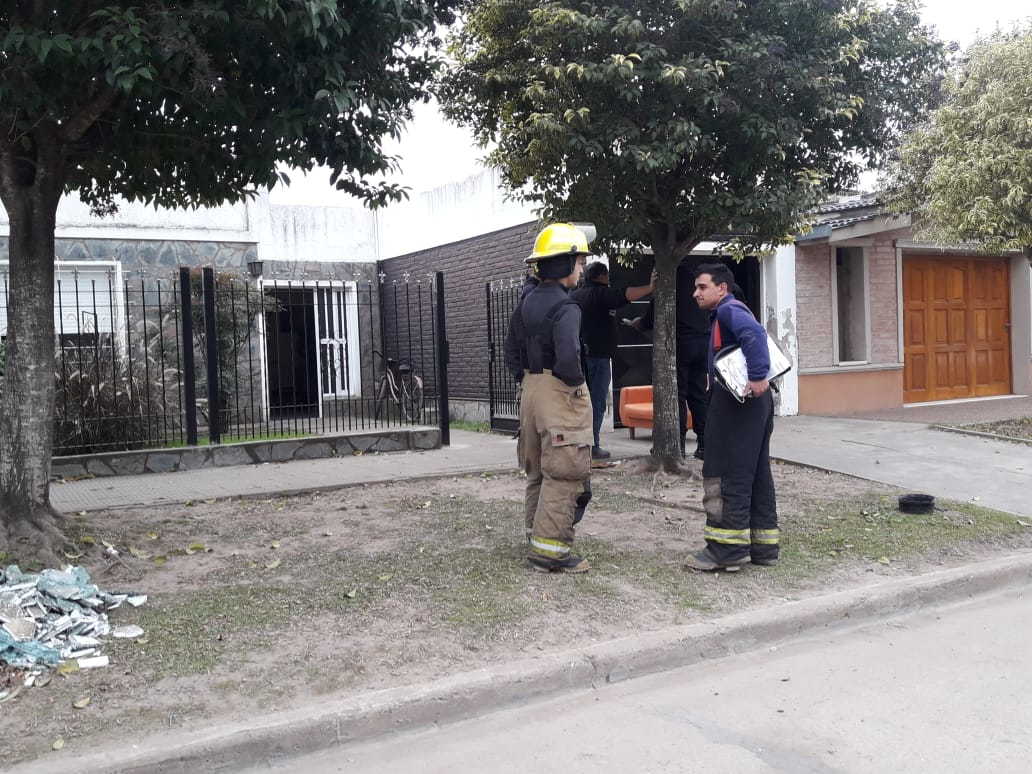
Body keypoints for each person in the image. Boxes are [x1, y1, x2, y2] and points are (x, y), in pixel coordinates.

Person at [503, 223, 594, 573]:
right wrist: (575, 386)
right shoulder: (567, 308)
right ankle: (551, 553)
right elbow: (570, 358)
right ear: (564, 264)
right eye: (579, 262)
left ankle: (537, 536)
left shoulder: (525, 302)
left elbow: (511, 351)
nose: (582, 268)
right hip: (558, 392)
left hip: (530, 392)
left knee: (538, 470)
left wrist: (528, 381)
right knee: (566, 471)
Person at [683, 262, 779, 572]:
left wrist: (758, 375)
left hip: (738, 404)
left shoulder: (728, 311)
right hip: (754, 406)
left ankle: (726, 550)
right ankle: (763, 548)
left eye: (702, 287)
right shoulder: (730, 311)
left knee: (726, 472)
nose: (695, 293)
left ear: (721, 288)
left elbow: (753, 334)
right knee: (756, 473)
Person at [625, 259, 710, 459]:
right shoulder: (698, 284)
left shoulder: (668, 282)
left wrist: (639, 323)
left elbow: (653, 314)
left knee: (678, 394)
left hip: (683, 344)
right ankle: (704, 444)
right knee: (698, 394)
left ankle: (678, 444)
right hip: (702, 343)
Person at [572, 262, 655, 460]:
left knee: (580, 402)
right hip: (598, 357)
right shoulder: (600, 293)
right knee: (597, 402)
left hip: (578, 357)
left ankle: (578, 444)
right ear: (601, 276)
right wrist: (651, 288)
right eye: (607, 275)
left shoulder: (575, 296)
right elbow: (625, 294)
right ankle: (592, 446)